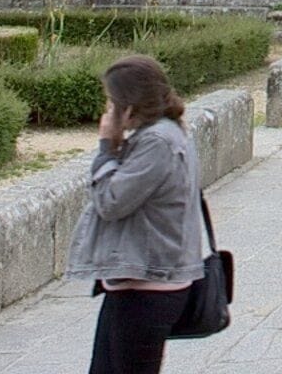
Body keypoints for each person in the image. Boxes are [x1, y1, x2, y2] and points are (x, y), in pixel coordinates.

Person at [69, 54, 210, 374]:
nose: (107, 112)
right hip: (136, 283)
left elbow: (111, 201)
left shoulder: (157, 142)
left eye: (111, 103)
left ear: (129, 107)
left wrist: (106, 148)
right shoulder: (160, 134)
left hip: (148, 288)